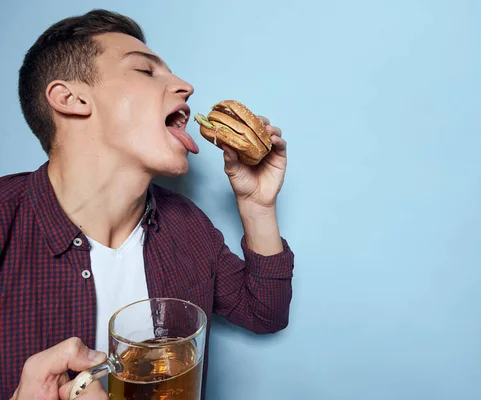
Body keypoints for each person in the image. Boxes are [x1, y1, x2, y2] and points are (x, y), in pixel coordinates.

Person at [0, 9, 294, 400]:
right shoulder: (7, 218)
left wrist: (257, 206)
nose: (186, 87)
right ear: (70, 98)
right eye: (145, 71)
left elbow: (265, 312)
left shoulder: (186, 225)